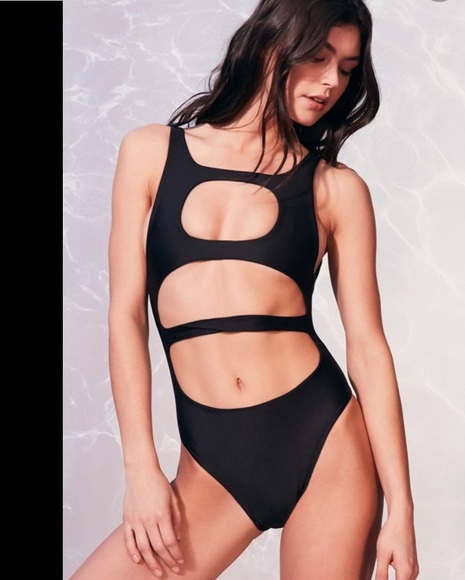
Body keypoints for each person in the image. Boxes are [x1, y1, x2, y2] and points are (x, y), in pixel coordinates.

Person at [71, 0, 419, 578]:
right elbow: (125, 316)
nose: (332, 82)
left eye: (347, 68)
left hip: (326, 447)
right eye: (319, 57)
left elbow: (368, 349)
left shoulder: (335, 189)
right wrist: (140, 467)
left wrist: (402, 511)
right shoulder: (150, 152)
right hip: (213, 465)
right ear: (272, 44)